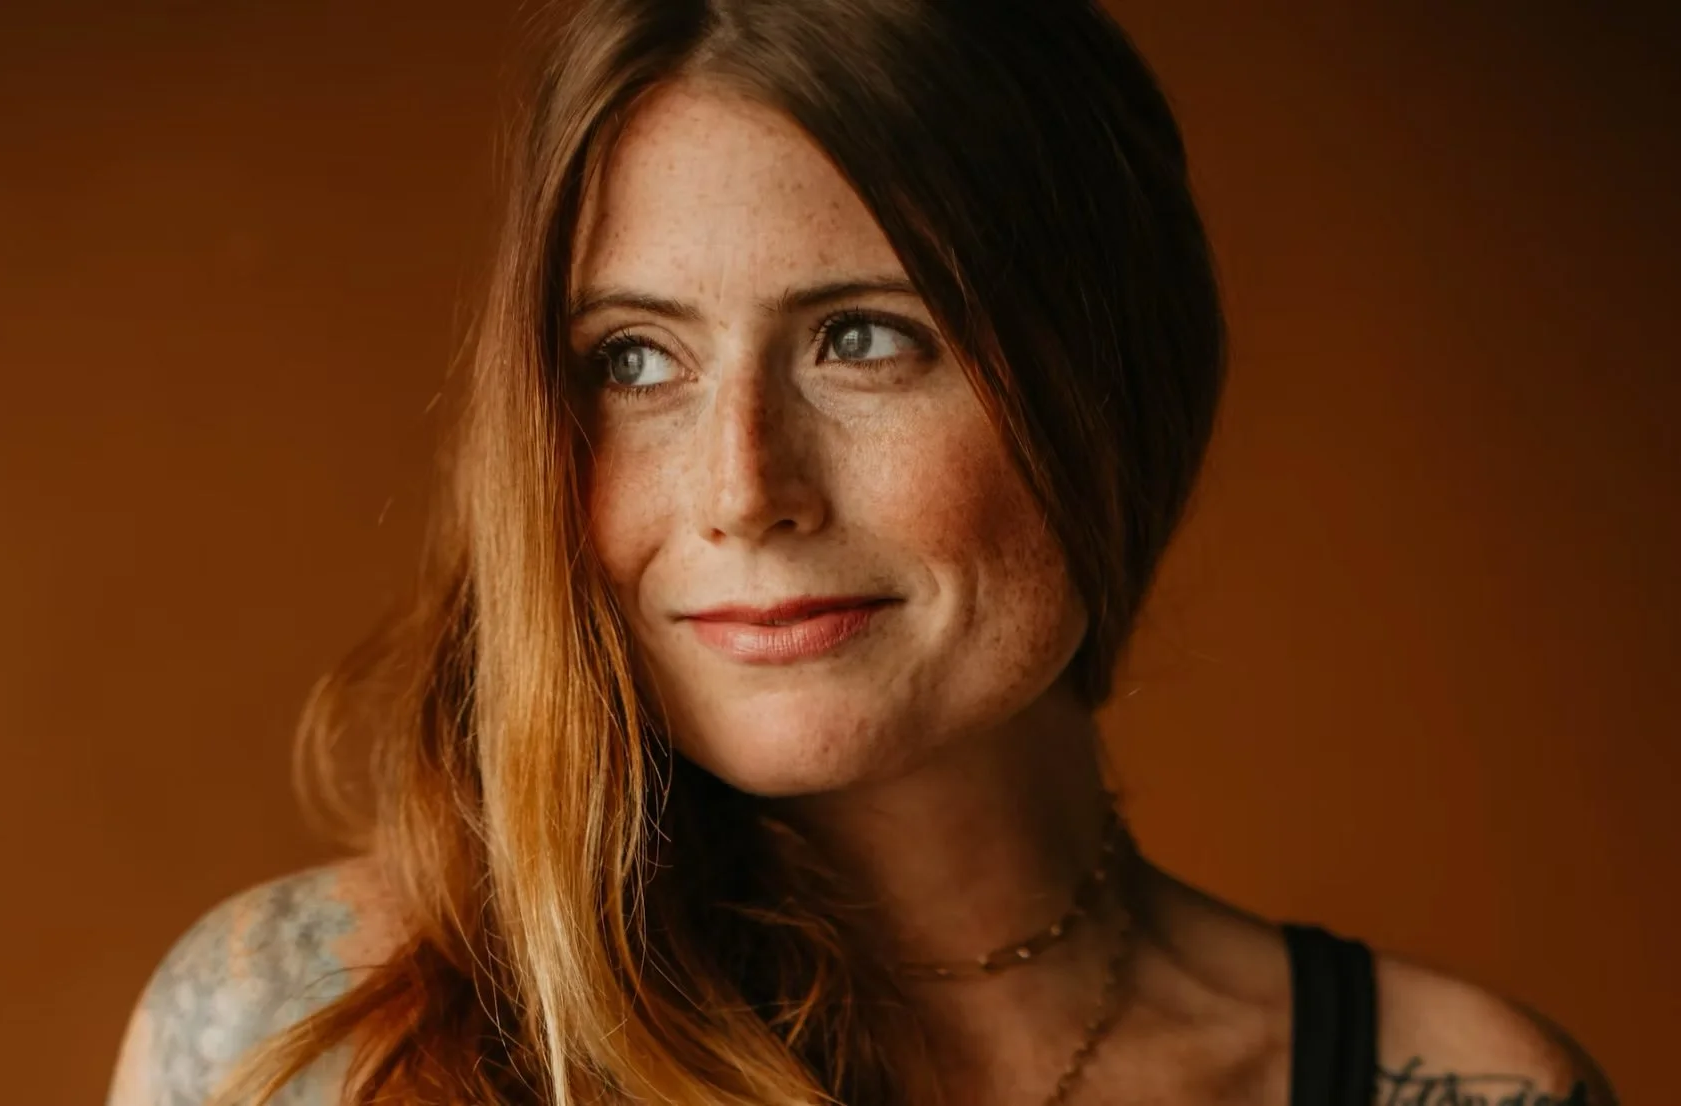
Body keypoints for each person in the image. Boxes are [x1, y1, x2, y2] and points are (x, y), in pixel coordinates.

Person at [105, 1, 1617, 1103]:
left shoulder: (1459, 1086)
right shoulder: (308, 1031)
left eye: (862, 338)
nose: (742, 487)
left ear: (1112, 397)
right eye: (633, 361)